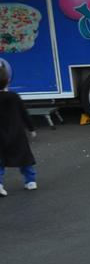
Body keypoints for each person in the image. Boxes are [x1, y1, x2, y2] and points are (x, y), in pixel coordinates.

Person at [0, 64, 37, 195]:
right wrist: (31, 128)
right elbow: (24, 114)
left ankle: (0, 184)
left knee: (0, 161)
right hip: (17, 135)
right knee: (25, 158)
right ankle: (30, 181)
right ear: (8, 80)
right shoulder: (14, 97)